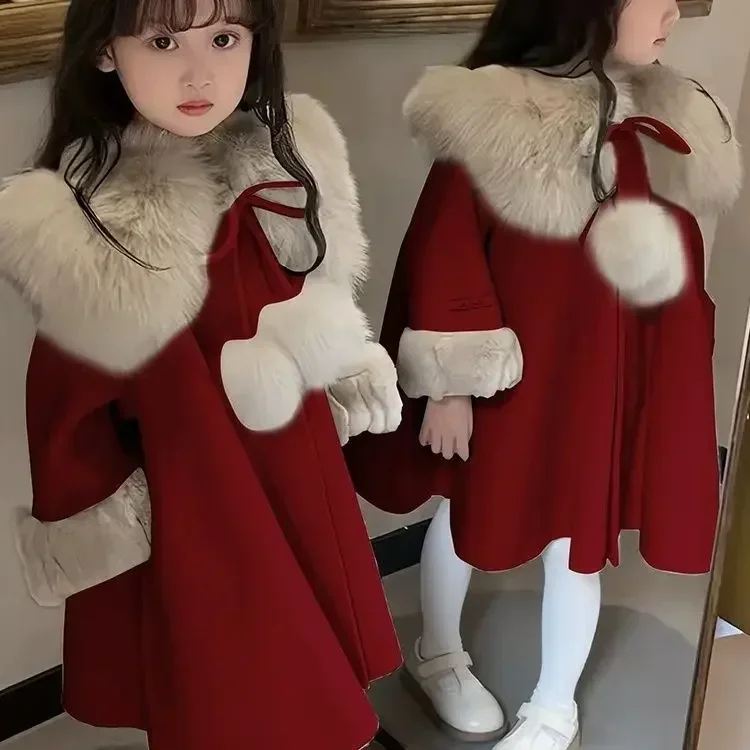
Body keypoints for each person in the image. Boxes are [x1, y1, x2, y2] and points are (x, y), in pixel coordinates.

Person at [0, 0, 403, 747]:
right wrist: (124, 520)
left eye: (223, 38)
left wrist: (341, 360)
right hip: (201, 501)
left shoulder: (284, 164)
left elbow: (309, 295)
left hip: (294, 463)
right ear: (106, 51)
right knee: (228, 684)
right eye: (162, 41)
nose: (199, 74)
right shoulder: (84, 224)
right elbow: (65, 408)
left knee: (305, 672)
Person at [344, 0, 743, 748]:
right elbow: (446, 250)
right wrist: (452, 385)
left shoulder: (661, 113)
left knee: (578, 535)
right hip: (513, 378)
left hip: (599, 373)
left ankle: (555, 704)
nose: (671, 11)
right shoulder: (496, 115)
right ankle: (438, 653)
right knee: (467, 506)